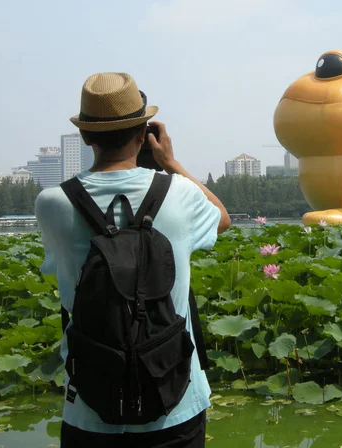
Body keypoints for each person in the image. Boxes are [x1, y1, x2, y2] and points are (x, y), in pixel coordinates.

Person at [35, 72, 230, 447]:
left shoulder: (52, 204)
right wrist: (170, 162)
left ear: (85, 136)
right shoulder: (181, 195)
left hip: (89, 409)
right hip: (175, 403)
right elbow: (221, 218)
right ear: (144, 134)